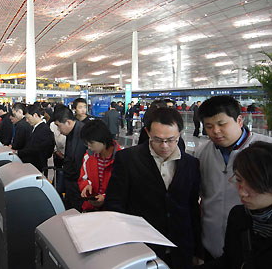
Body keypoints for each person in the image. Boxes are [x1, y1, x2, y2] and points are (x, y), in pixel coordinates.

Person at [105, 107, 201, 269]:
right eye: (157, 139)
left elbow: (192, 208)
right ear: (147, 133)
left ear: (179, 134)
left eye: (171, 139)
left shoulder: (190, 164)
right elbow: (115, 204)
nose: (164, 146)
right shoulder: (128, 159)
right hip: (142, 250)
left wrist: (197, 250)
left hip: (180, 250)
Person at [194, 95, 272, 260]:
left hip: (252, 245)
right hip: (211, 242)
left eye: (222, 124)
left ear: (239, 120)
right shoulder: (202, 152)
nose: (215, 131)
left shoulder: (265, 150)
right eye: (208, 126)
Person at [195, 141, 272, 269]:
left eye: (253, 185)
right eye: (239, 180)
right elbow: (229, 261)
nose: (242, 192)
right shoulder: (239, 215)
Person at [78, 120, 121, 212]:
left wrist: (105, 197)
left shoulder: (121, 158)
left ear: (103, 140)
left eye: (91, 143)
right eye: (87, 144)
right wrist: (86, 186)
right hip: (91, 208)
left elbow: (122, 188)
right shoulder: (88, 157)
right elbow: (83, 178)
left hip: (111, 211)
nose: (89, 147)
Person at [53, 105, 86, 212]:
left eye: (59, 126)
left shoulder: (82, 133)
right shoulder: (71, 133)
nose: (58, 130)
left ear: (68, 122)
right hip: (70, 183)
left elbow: (80, 162)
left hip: (78, 185)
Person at [16, 105, 55, 175]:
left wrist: (18, 152)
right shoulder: (36, 128)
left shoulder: (44, 130)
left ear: (35, 115)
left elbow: (35, 149)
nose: (27, 121)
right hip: (33, 167)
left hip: (38, 168)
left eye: (28, 118)